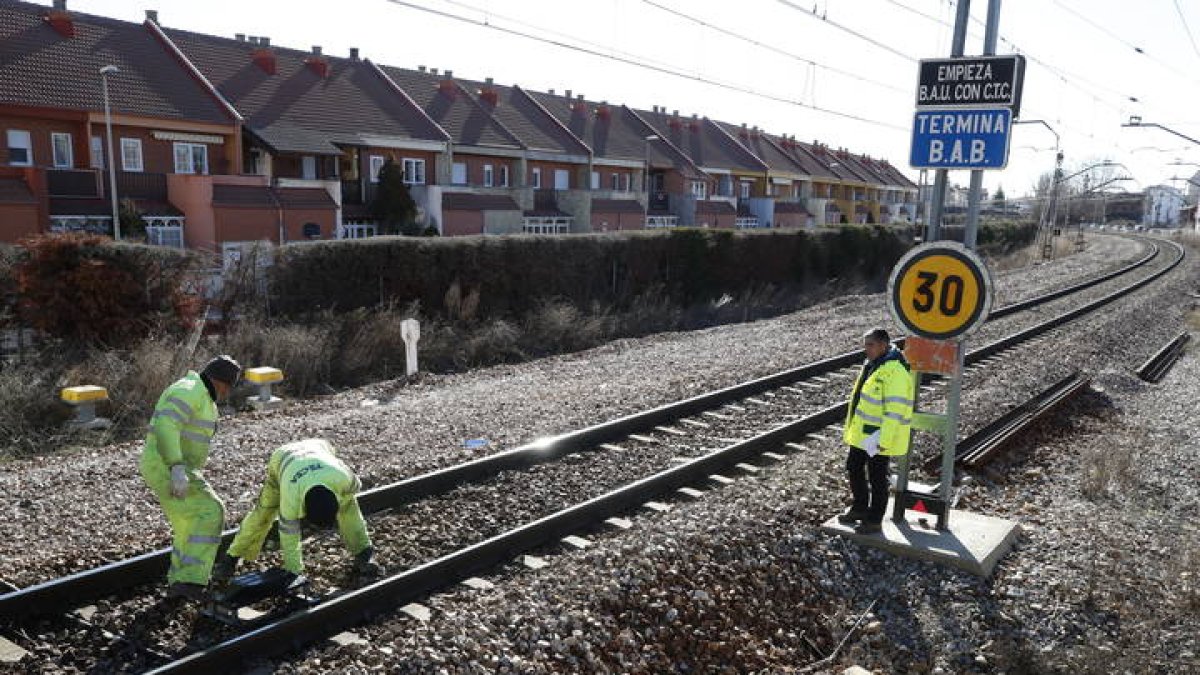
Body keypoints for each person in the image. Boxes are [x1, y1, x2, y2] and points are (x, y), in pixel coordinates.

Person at [140, 354, 242, 600]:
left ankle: (179, 582)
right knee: (211, 512)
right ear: (221, 383)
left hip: (175, 467)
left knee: (189, 523)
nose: (227, 394)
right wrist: (176, 466)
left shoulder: (204, 398)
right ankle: (190, 582)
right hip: (168, 465)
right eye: (229, 388)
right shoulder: (190, 390)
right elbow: (167, 425)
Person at [214, 438, 376, 582]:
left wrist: (341, 505)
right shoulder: (290, 498)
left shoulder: (344, 479)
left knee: (349, 506)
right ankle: (231, 557)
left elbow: (353, 493)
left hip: (318, 448)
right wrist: (294, 573)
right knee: (262, 514)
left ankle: (364, 552)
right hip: (282, 460)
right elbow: (289, 538)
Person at [839, 329, 914, 534]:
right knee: (853, 467)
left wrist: (885, 439)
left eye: (870, 345)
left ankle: (874, 520)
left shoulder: (895, 371)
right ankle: (860, 508)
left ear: (883, 345)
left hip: (878, 435)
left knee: (877, 477)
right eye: (865, 344)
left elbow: (895, 410)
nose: (866, 349)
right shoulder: (873, 365)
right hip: (863, 433)